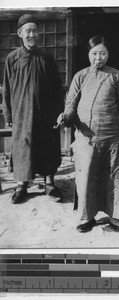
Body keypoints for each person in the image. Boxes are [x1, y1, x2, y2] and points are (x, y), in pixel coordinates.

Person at [57, 35, 119, 234]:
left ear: (108, 54)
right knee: (86, 178)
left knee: (114, 177)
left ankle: (115, 218)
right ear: (88, 54)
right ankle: (87, 217)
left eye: (102, 53)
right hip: (86, 138)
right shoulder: (80, 76)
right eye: (94, 54)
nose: (98, 58)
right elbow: (70, 106)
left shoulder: (117, 76)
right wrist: (65, 118)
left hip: (112, 137)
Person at [2, 14, 64, 204]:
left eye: (34, 31)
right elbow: (6, 88)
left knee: (47, 145)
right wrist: (8, 113)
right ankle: (22, 185)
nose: (32, 34)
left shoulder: (47, 58)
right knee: (23, 147)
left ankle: (49, 183)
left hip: (46, 114)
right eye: (28, 31)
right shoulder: (13, 58)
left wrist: (59, 112)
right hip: (22, 114)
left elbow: (57, 88)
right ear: (20, 33)